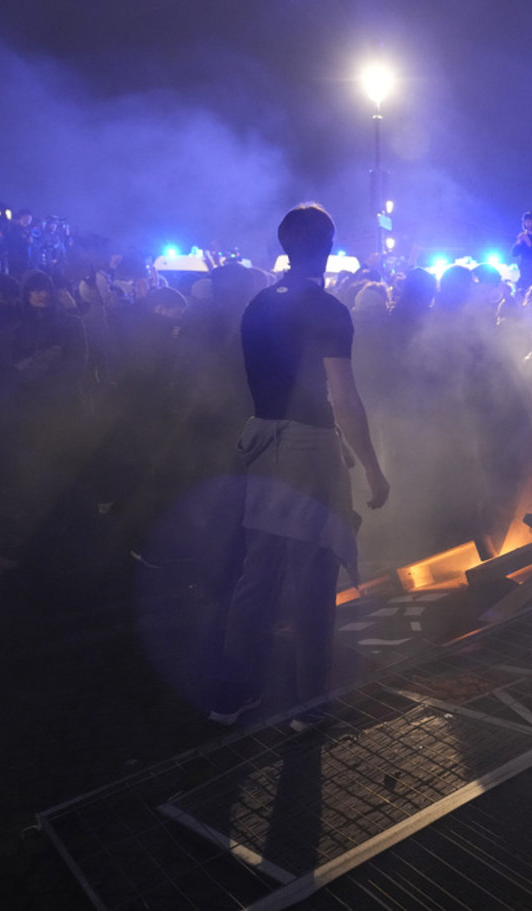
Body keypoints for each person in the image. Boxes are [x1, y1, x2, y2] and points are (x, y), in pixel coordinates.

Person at [209, 203, 389, 730]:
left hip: (262, 442)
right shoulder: (328, 309)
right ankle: (309, 706)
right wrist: (373, 470)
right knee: (313, 570)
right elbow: (345, 399)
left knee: (259, 570)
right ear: (329, 246)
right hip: (306, 446)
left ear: (285, 245)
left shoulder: (259, 304)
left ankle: (231, 696)